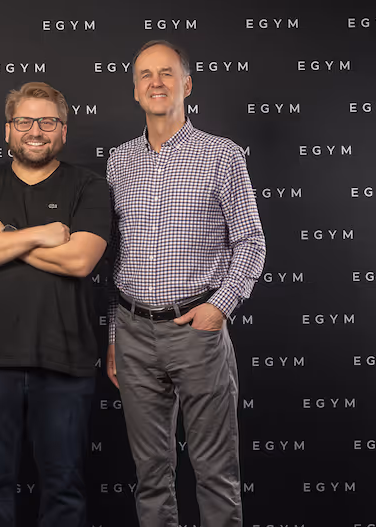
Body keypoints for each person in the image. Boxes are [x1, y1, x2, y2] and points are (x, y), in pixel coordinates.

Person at [106, 40, 266, 527]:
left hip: (196, 329)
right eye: (146, 75)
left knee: (216, 474)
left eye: (167, 73)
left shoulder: (221, 155)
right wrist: (114, 336)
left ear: (187, 85)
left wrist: (219, 307)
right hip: (133, 333)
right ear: (135, 90)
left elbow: (251, 241)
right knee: (151, 476)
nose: (156, 82)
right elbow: (116, 255)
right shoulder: (119, 160)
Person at [0, 82, 110, 527]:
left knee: (65, 487)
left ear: (64, 131)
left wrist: (2, 236)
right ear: (8, 130)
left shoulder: (90, 186)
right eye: (24, 121)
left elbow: (79, 261)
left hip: (65, 360)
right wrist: (39, 234)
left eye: (48, 121)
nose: (35, 131)